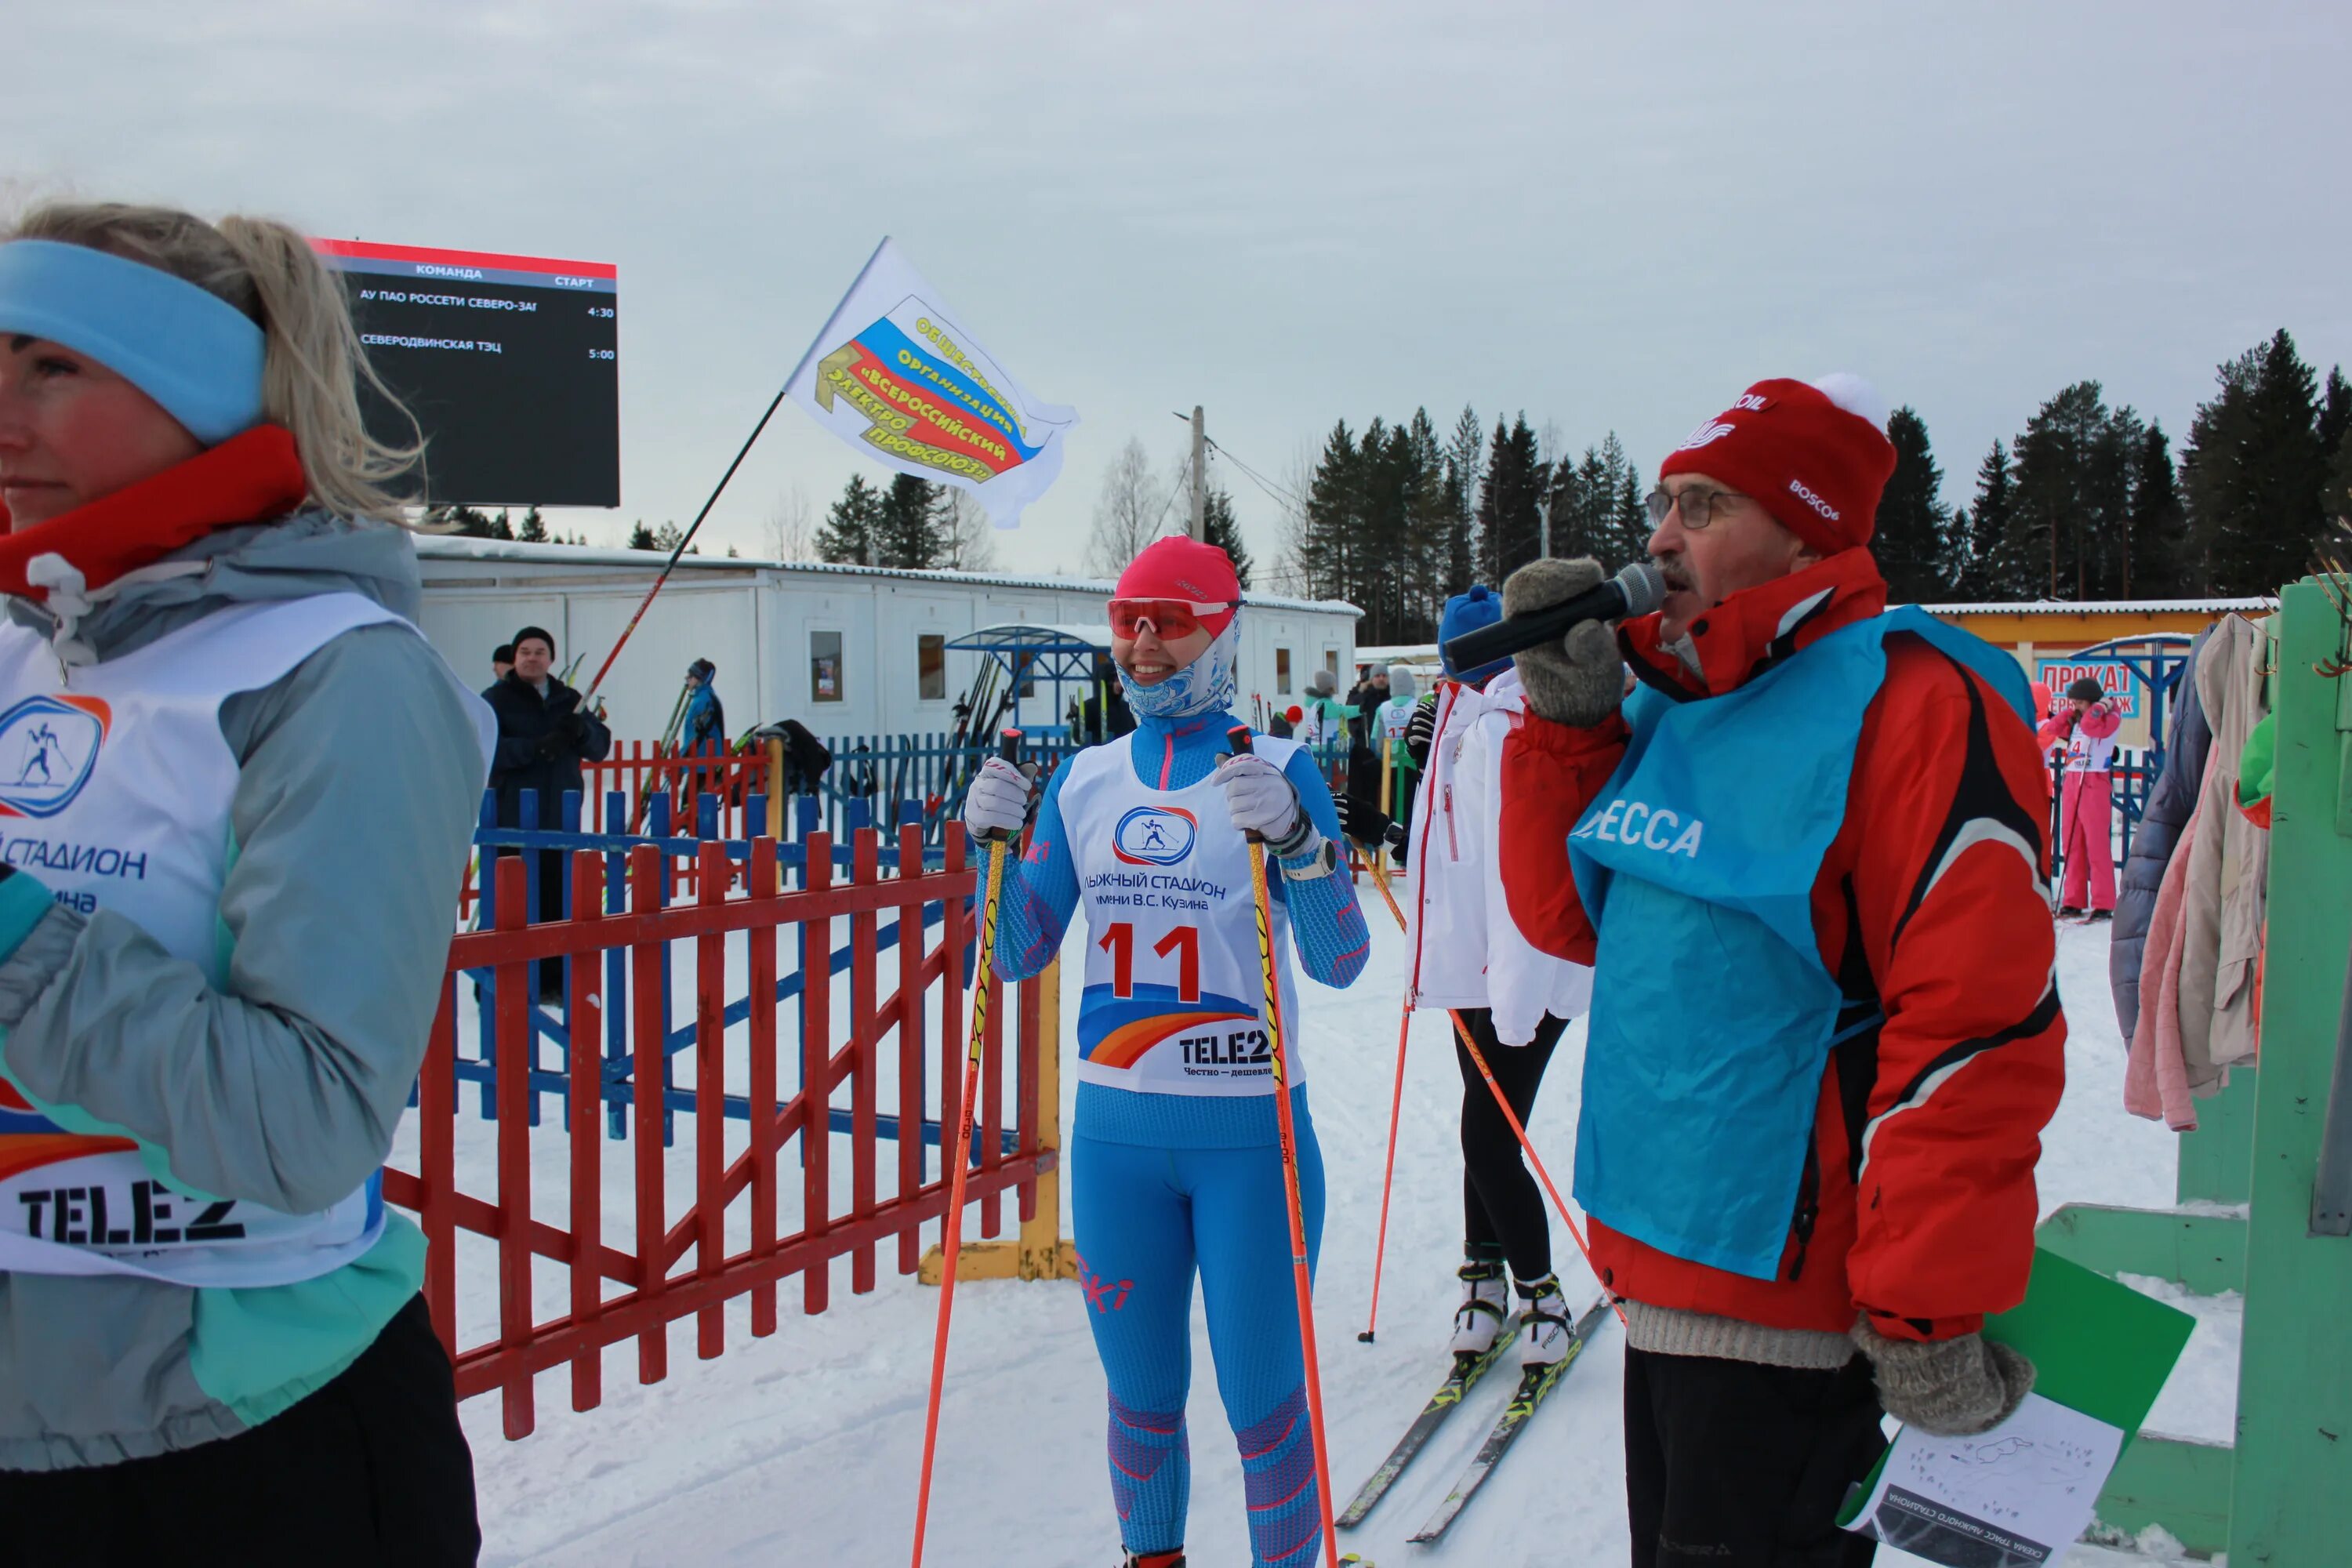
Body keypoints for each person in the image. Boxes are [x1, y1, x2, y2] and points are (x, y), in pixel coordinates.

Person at [1494, 376, 2065, 1567]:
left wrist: (1925, 1304)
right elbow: (1571, 923)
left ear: (1808, 528)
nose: (1659, 536)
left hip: (1798, 1315)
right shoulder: (1680, 697)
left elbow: (1975, 1020)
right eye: (1663, 501)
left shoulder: (1919, 698)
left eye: (1703, 505)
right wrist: (1571, 718)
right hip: (1657, 1273)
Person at [0, 200, 493, 1563]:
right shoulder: (26, 652)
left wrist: (16, 938)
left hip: (240, 1442)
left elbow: (305, 1126)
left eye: (55, 365)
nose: (5, 414)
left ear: (200, 389)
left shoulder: (338, 674)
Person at [962, 535, 1368, 1568]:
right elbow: (1015, 953)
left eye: (1170, 621)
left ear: (1223, 627)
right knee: (1140, 1405)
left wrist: (1300, 850)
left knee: (1264, 1413)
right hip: (1115, 1143)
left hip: (1250, 1144)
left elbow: (1340, 960)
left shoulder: (1276, 769)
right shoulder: (1087, 779)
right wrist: (987, 851)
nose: (1143, 646)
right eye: (1127, 621)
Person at [1342, 584, 1596, 1364]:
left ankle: (1539, 1291)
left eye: (1462, 659)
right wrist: (1384, 826)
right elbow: (1447, 855)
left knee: (1488, 1137)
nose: (1454, 672)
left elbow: (1521, 863)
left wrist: (1514, 991)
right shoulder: (1457, 718)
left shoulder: (1511, 723)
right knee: (1479, 1127)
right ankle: (1482, 1279)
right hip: (1472, 969)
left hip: (1524, 968)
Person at [484, 624, 611, 996]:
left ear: (551, 659)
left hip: (559, 818)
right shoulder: (496, 699)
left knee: (556, 902)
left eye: (540, 652)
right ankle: (506, 982)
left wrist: (579, 731)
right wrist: (534, 748)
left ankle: (553, 982)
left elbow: (600, 747)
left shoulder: (568, 699)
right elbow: (484, 748)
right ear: (514, 657)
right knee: (513, 906)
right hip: (512, 820)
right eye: (525, 651)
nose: (532, 658)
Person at [2039, 676, 2122, 919]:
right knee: (2072, 841)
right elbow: (2053, 728)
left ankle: (2104, 901)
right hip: (2073, 779)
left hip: (2094, 780)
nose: (2075, 707)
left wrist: (2099, 708)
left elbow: (2091, 728)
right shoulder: (2078, 719)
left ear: (2092, 701)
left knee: (2096, 843)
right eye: (2073, 702)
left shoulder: (2109, 717)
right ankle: (2074, 899)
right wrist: (2070, 712)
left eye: (2079, 702)